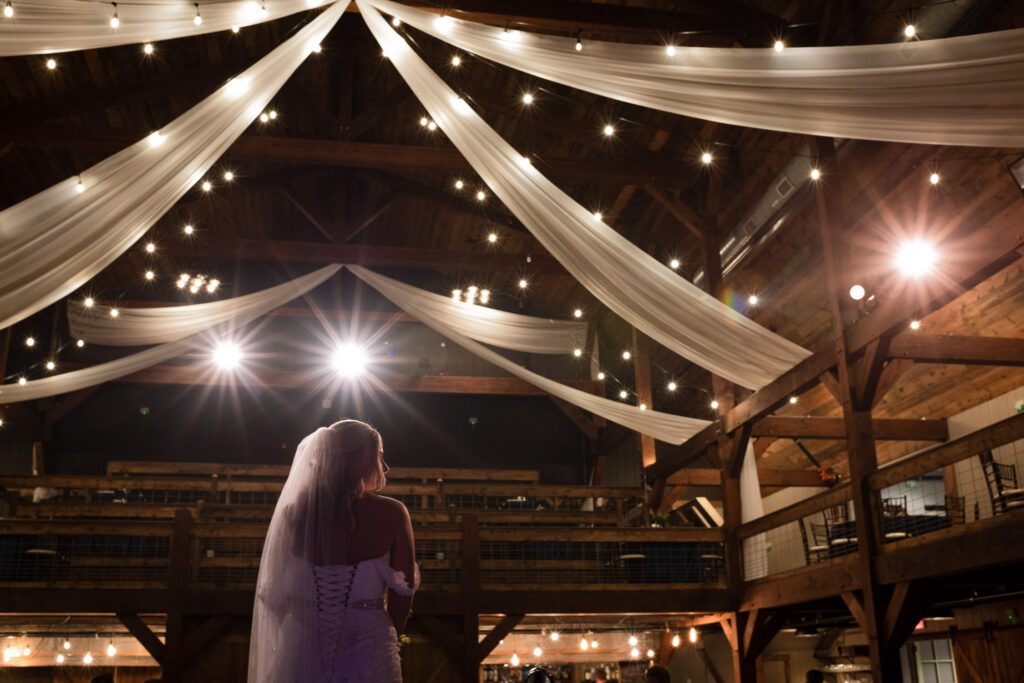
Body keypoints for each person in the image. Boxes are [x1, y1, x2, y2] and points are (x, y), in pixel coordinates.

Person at [248, 420, 417, 682]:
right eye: (379, 456)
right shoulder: (393, 513)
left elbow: (277, 594)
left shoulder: (294, 513)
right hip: (368, 643)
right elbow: (401, 596)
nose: (385, 467)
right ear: (362, 459)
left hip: (302, 643)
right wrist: (382, 633)